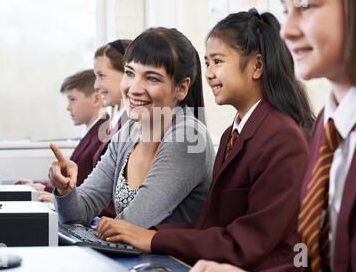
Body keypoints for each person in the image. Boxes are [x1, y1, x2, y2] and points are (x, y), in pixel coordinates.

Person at [94, 9, 315, 272]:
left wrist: (151, 238)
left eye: (218, 61)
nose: (209, 73)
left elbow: (247, 241)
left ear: (257, 66)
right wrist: (148, 235)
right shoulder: (232, 134)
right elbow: (212, 226)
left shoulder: (282, 138)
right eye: (207, 63)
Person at [187, 0, 356, 272]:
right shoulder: (329, 127)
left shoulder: (291, 134)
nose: (286, 30)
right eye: (287, 10)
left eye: (307, 6)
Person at [48, 27, 216, 229]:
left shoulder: (188, 137)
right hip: (133, 259)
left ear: (181, 88)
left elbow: (131, 226)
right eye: (129, 73)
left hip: (172, 261)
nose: (134, 89)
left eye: (151, 78)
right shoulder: (128, 133)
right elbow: (79, 213)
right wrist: (65, 190)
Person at [14, 69, 107, 203]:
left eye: (73, 99)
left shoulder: (101, 136)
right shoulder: (91, 132)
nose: (68, 107)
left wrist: (47, 190)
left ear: (96, 99)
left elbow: (83, 187)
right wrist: (41, 185)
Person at [92, 39, 132, 217]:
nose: (96, 85)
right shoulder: (118, 121)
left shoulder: (135, 124)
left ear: (126, 73)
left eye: (102, 76)